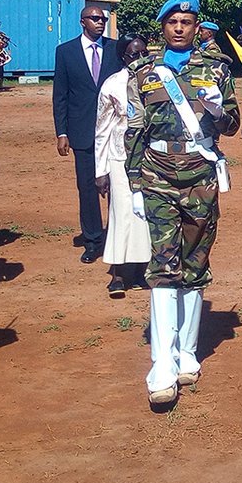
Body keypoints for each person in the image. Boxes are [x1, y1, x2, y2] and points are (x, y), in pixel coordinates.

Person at [125, 0, 240, 407]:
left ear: (195, 27)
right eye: (172, 22)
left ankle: (187, 351)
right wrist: (134, 182)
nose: (179, 27)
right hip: (157, 175)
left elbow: (232, 124)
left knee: (195, 261)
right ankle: (161, 362)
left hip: (200, 175)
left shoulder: (217, 69)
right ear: (162, 27)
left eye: (186, 22)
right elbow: (134, 129)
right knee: (162, 263)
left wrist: (217, 112)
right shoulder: (142, 72)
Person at [53, 5, 123, 263]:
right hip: (82, 131)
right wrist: (62, 132)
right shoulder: (66, 52)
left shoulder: (115, 49)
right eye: (94, 18)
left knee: (117, 185)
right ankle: (93, 241)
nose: (100, 22)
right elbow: (60, 95)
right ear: (82, 22)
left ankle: (117, 237)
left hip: (113, 132)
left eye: (102, 19)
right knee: (87, 188)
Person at [95, 35, 154, 298]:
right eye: (133, 54)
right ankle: (118, 274)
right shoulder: (112, 84)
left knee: (146, 214)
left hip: (151, 157)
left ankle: (141, 270)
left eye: (144, 53)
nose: (140, 59)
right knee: (121, 213)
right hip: (120, 156)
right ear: (123, 57)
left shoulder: (157, 80)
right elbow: (102, 130)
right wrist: (100, 171)